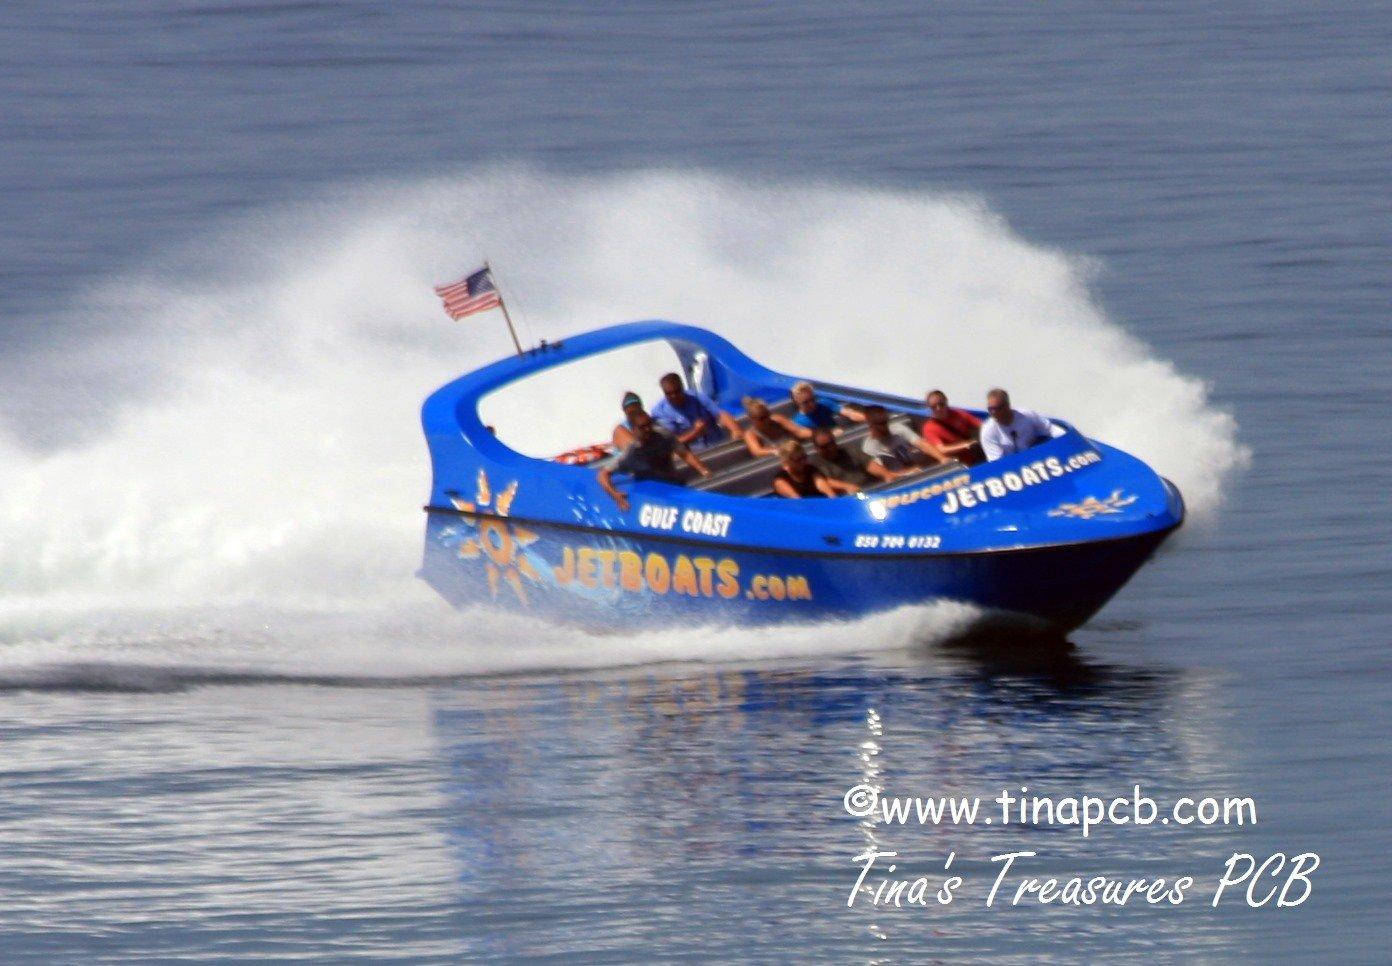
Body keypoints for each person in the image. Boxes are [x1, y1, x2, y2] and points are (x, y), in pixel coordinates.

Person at [598, 413, 711, 511]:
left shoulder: (663, 435)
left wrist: (702, 469)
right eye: (643, 427)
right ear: (634, 430)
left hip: (674, 484)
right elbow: (603, 474)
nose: (648, 430)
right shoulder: (631, 452)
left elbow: (684, 453)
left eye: (649, 425)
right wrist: (615, 495)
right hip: (651, 495)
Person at [650, 372, 743, 450]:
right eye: (669, 394)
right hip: (694, 453)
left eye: (677, 391)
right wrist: (695, 432)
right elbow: (672, 443)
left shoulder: (696, 397)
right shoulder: (660, 412)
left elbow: (720, 414)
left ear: (682, 387)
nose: (674, 396)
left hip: (718, 444)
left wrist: (735, 430)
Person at [979, 388, 1063, 461]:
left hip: (1036, 457)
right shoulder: (988, 431)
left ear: (1007, 405)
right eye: (991, 409)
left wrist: (1066, 439)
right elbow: (997, 463)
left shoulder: (1026, 415)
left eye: (998, 409)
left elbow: (1050, 429)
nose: (994, 413)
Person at [861, 405, 948, 474]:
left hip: (920, 469)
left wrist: (942, 459)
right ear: (870, 423)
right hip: (899, 479)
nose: (884, 427)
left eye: (885, 423)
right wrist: (903, 474)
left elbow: (921, 444)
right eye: (879, 424)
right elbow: (875, 468)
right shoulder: (869, 446)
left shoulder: (898, 429)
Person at [771, 439, 859, 499]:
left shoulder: (809, 469)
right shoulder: (780, 480)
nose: (803, 462)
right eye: (798, 460)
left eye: (804, 457)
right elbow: (796, 500)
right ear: (787, 461)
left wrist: (834, 500)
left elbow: (823, 485)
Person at [809, 428, 891, 488]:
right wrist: (847, 487)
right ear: (816, 448)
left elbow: (871, 465)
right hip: (846, 500)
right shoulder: (814, 465)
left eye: (831, 444)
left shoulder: (851, 451)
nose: (829, 448)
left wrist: (886, 476)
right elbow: (824, 483)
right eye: (824, 447)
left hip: (870, 488)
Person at [921, 389, 983, 465]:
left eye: (941, 404)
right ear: (929, 407)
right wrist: (965, 445)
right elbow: (941, 449)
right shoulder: (929, 428)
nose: (938, 408)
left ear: (946, 401)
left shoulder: (958, 413)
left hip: (977, 455)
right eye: (934, 407)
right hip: (960, 464)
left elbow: (982, 425)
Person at [787, 381, 865, 437]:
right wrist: (831, 434)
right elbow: (809, 435)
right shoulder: (798, 422)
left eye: (813, 399)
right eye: (806, 402)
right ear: (797, 403)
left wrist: (867, 419)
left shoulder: (824, 403)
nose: (811, 404)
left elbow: (849, 413)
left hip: (840, 434)